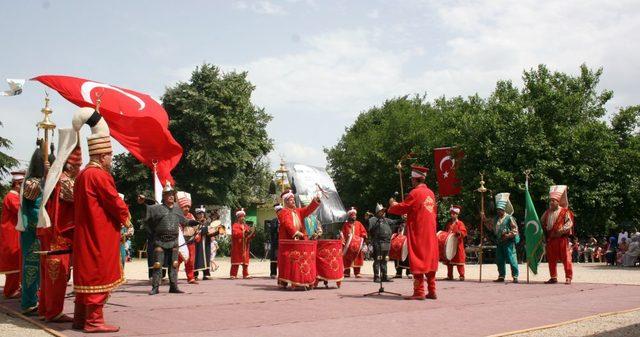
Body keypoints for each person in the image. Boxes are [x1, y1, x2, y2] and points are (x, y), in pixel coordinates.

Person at [71, 108, 130, 332]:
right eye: (110, 156)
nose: (111, 160)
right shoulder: (99, 175)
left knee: (86, 274)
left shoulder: (83, 175)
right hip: (99, 233)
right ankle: (93, 321)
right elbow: (115, 202)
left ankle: (80, 318)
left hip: (85, 233)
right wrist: (126, 218)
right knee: (98, 273)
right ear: (102, 156)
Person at [36, 128, 82, 322]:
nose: (80, 168)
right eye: (78, 164)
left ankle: (45, 309)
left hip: (52, 234)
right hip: (59, 235)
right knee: (57, 275)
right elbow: (81, 202)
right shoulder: (66, 182)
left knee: (47, 275)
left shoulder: (56, 178)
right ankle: (53, 312)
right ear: (70, 166)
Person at [388, 164, 439, 300]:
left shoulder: (415, 193)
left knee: (418, 259)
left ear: (414, 179)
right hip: (430, 232)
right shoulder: (431, 193)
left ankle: (419, 291)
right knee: (429, 259)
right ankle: (432, 290)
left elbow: (403, 207)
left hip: (419, 231)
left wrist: (393, 206)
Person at [16, 141, 55, 315]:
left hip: (43, 232)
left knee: (43, 268)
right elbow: (32, 202)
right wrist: (45, 180)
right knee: (31, 266)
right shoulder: (32, 182)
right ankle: (29, 302)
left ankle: (39, 299)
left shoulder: (43, 181)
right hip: (33, 232)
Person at [140, 182, 186, 295]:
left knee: (174, 263)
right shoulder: (156, 209)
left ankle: (174, 286)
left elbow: (184, 220)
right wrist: (142, 204)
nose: (171, 196)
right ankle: (155, 287)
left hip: (174, 241)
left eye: (172, 194)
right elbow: (146, 215)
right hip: (160, 241)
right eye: (168, 194)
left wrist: (193, 223)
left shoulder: (177, 209)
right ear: (163, 196)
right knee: (158, 264)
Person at [277, 189, 321, 288]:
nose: (293, 201)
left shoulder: (298, 211)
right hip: (288, 241)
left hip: (300, 240)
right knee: (288, 262)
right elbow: (287, 224)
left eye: (293, 199)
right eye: (290, 199)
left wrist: (316, 200)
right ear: (286, 202)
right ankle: (285, 281)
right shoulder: (283, 212)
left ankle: (301, 279)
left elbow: (308, 209)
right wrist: (295, 232)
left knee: (301, 260)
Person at [541, 185, 574, 285]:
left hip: (561, 239)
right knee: (551, 259)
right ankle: (553, 277)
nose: (551, 202)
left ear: (558, 202)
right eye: (550, 201)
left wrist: (562, 230)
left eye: (553, 201)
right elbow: (541, 222)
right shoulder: (547, 212)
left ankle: (568, 277)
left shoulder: (565, 211)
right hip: (551, 239)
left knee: (566, 258)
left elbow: (569, 223)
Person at [483, 193, 519, 283]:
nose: (498, 211)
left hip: (509, 242)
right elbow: (490, 227)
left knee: (512, 259)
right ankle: (501, 276)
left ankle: (515, 276)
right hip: (499, 242)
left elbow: (515, 230)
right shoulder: (495, 219)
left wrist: (508, 234)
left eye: (500, 210)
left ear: (503, 209)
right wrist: (483, 217)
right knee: (499, 260)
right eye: (497, 210)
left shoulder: (509, 218)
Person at [0, 171, 25, 299]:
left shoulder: (13, 196)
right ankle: (10, 290)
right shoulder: (11, 197)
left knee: (16, 260)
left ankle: (15, 287)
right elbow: (20, 210)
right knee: (13, 261)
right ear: (16, 184)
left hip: (14, 232)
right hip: (11, 233)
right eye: (22, 184)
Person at [368, 203, 399, 282]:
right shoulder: (373, 219)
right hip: (378, 243)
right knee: (378, 260)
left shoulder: (386, 220)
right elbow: (368, 226)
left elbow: (394, 222)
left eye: (384, 211)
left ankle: (384, 276)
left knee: (385, 260)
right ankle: (376, 277)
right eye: (382, 211)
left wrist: (403, 219)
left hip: (387, 243)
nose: (383, 212)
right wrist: (367, 219)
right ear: (378, 212)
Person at [341, 207, 368, 278]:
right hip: (348, 245)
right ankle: (346, 272)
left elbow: (363, 232)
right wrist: (343, 240)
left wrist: (363, 236)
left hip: (357, 245)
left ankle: (357, 272)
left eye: (355, 215)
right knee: (347, 258)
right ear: (349, 216)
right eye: (352, 215)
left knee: (357, 258)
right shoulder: (345, 225)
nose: (354, 217)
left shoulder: (359, 223)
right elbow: (342, 233)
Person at [176, 191, 197, 284]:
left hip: (191, 241)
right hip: (180, 242)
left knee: (191, 260)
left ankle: (191, 278)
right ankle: (173, 277)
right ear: (180, 207)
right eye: (185, 206)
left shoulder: (191, 216)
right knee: (177, 260)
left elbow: (196, 227)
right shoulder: (177, 216)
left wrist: (198, 234)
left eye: (188, 206)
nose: (187, 208)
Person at [444, 205, 467, 281]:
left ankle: (462, 275)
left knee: (459, 260)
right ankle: (450, 275)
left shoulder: (460, 223)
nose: (452, 215)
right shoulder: (449, 223)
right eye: (451, 213)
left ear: (457, 214)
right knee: (449, 260)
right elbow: (446, 233)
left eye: (454, 213)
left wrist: (459, 233)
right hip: (449, 245)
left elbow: (464, 232)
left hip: (458, 245)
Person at [230, 208, 255, 279]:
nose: (243, 218)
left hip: (245, 246)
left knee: (245, 262)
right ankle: (233, 274)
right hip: (237, 246)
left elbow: (249, 235)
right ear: (238, 217)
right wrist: (244, 233)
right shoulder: (235, 225)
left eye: (244, 216)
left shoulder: (246, 226)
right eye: (241, 216)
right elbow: (235, 234)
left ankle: (245, 274)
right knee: (236, 260)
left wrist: (252, 233)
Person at [194, 206, 214, 280]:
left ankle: (206, 274)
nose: (201, 215)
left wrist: (217, 231)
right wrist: (206, 229)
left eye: (202, 213)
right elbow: (196, 231)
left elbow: (211, 232)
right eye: (199, 213)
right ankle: (195, 274)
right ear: (197, 214)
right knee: (197, 258)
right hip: (197, 244)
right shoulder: (194, 222)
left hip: (206, 243)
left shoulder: (207, 223)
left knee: (206, 258)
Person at [267, 204, 282, 278]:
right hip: (276, 242)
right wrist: (278, 226)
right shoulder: (274, 221)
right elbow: (272, 231)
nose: (280, 212)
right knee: (274, 258)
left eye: (281, 211)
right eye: (279, 211)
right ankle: (273, 273)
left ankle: (283, 273)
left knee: (283, 258)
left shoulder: (285, 219)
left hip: (283, 242)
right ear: (276, 212)